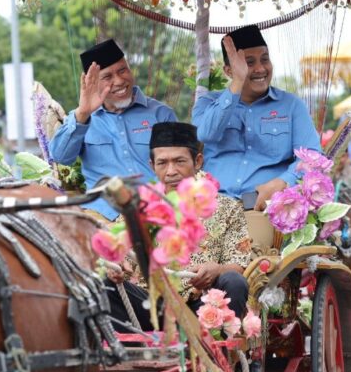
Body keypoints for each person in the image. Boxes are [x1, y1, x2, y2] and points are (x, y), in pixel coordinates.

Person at [106, 122, 252, 331]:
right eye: (162, 163)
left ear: (198, 161)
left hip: (201, 306)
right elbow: (114, 250)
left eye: (179, 161)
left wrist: (217, 270)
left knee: (234, 281)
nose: (171, 171)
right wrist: (115, 266)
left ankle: (218, 357)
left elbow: (239, 263)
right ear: (152, 165)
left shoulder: (227, 207)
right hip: (149, 307)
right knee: (101, 280)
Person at [192, 25, 321, 211]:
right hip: (212, 208)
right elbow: (205, 134)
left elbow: (313, 157)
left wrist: (284, 182)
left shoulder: (291, 105)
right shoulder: (208, 102)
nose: (261, 68)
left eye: (265, 59)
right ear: (228, 71)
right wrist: (238, 82)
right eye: (249, 62)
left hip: (266, 210)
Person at [49, 39, 177, 220]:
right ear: (92, 83)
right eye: (107, 77)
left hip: (159, 212)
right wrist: (83, 113)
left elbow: (180, 167)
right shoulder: (82, 118)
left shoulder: (160, 114)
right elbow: (60, 156)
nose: (119, 81)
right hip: (104, 216)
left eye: (122, 70)